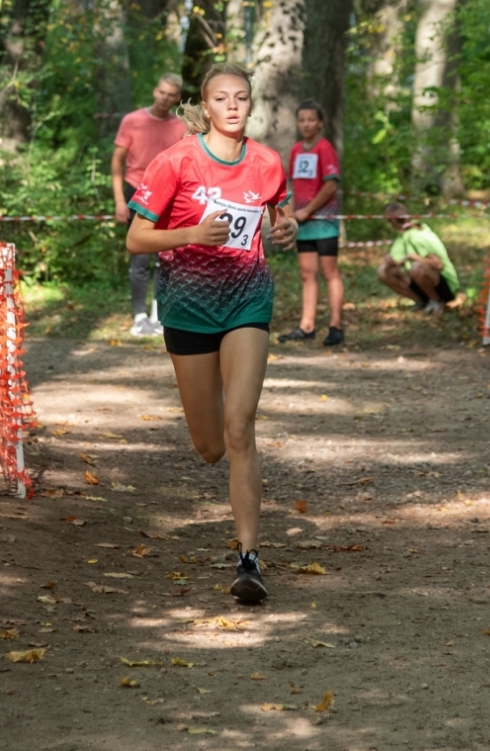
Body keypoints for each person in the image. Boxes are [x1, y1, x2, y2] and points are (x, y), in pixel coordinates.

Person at [125, 63, 295, 604]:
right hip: (188, 307)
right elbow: (136, 239)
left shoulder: (266, 161)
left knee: (240, 425)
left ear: (250, 103)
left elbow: (279, 217)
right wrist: (192, 232)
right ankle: (215, 412)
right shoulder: (176, 160)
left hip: (248, 299)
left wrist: (286, 228)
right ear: (206, 104)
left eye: (241, 98)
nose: (232, 106)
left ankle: (249, 559)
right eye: (221, 98)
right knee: (209, 446)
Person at [113, 74, 186, 337]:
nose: (166, 98)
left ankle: (159, 314)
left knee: (165, 257)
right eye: (162, 92)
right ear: (155, 91)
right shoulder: (132, 121)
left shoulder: (180, 126)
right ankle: (139, 316)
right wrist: (120, 201)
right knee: (140, 257)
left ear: (177, 97)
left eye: (171, 94)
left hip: (169, 195)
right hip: (137, 192)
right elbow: (116, 164)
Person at [278, 100, 344, 346]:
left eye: (311, 119)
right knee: (307, 274)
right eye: (301, 119)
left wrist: (308, 209)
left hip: (324, 222)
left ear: (320, 123)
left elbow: (330, 185)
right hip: (303, 223)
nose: (306, 124)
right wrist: (293, 211)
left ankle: (336, 326)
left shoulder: (325, 148)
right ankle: (307, 325)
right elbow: (294, 183)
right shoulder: (296, 150)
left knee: (330, 272)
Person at [378, 203, 463, 312]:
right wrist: (392, 262)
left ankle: (436, 302)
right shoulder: (404, 234)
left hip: (445, 284)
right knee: (383, 271)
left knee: (417, 267)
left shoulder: (416, 235)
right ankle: (421, 301)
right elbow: (397, 260)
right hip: (421, 279)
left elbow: (438, 264)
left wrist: (412, 256)